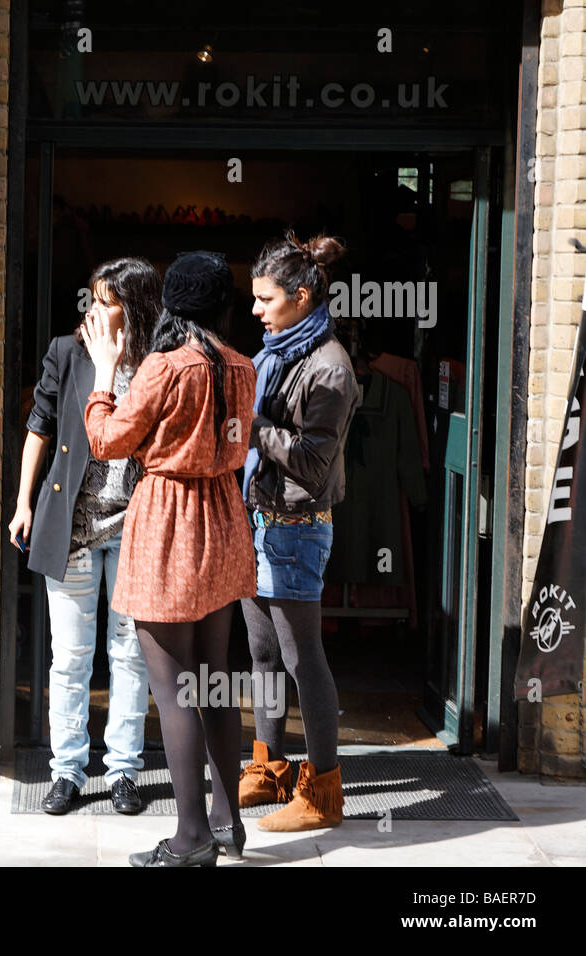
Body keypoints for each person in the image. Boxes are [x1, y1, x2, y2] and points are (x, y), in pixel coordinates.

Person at [82, 251, 258, 866]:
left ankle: (190, 841)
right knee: (214, 679)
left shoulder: (162, 367)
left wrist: (104, 375)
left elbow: (106, 442)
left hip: (168, 520)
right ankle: (227, 823)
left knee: (175, 688)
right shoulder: (243, 366)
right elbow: (237, 444)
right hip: (224, 518)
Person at [9, 257, 160, 816]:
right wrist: (24, 502)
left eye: (107, 301)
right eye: (92, 299)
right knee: (69, 658)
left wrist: (116, 367)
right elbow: (38, 427)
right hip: (71, 528)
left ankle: (122, 771)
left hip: (133, 529)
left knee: (129, 655)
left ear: (135, 308)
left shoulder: (154, 363)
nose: (93, 309)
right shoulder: (66, 353)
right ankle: (67, 771)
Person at [238, 232, 361, 832]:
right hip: (257, 519)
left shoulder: (330, 369)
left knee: (301, 658)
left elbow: (312, 463)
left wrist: (252, 425)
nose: (256, 310)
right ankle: (269, 768)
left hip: (295, 526)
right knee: (262, 654)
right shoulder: (277, 352)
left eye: (265, 299)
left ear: (302, 296)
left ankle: (324, 793)